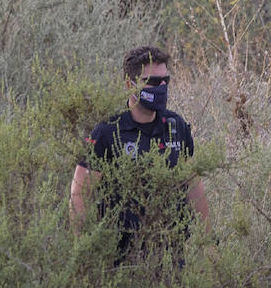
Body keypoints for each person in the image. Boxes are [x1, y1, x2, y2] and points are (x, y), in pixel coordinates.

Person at [69, 45, 210, 260]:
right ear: (130, 85)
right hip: (119, 257)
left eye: (166, 81)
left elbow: (193, 185)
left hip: (170, 253)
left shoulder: (175, 125)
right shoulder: (108, 131)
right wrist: (82, 249)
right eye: (153, 82)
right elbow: (80, 193)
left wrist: (208, 243)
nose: (161, 87)